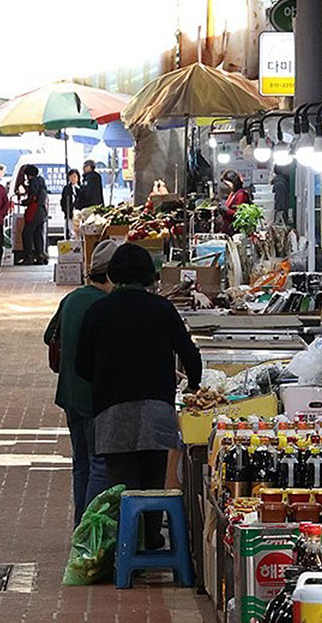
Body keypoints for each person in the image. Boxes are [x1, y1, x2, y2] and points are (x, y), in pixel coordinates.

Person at [75, 244, 202, 548]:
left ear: (114, 274)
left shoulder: (98, 311)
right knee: (153, 483)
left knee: (122, 486)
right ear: (148, 275)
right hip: (157, 410)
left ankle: (126, 547)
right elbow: (191, 357)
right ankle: (151, 539)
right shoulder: (162, 309)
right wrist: (193, 388)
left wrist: (107, 380)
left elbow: (81, 365)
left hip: (112, 412)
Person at [43, 240, 117, 524]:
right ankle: (88, 530)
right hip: (94, 396)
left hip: (69, 393)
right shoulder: (106, 305)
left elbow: (49, 335)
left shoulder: (72, 299)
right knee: (100, 463)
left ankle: (79, 526)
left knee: (81, 465)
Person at [21, 164, 49, 265]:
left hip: (34, 211)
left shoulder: (33, 182)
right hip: (42, 211)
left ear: (28, 175)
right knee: (38, 234)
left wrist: (24, 202)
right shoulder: (42, 181)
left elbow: (32, 196)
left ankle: (28, 257)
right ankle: (40, 256)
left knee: (26, 234)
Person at [218, 170, 252, 234]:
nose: (226, 187)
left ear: (233, 182)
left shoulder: (241, 194)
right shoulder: (232, 193)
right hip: (228, 228)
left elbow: (239, 214)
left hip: (235, 230)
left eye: (227, 184)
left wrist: (226, 210)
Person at [61, 169, 81, 238]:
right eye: (71, 176)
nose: (73, 178)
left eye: (74, 176)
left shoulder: (81, 188)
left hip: (79, 215)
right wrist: (65, 211)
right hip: (69, 214)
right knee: (70, 232)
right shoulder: (66, 188)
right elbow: (63, 201)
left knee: (78, 233)